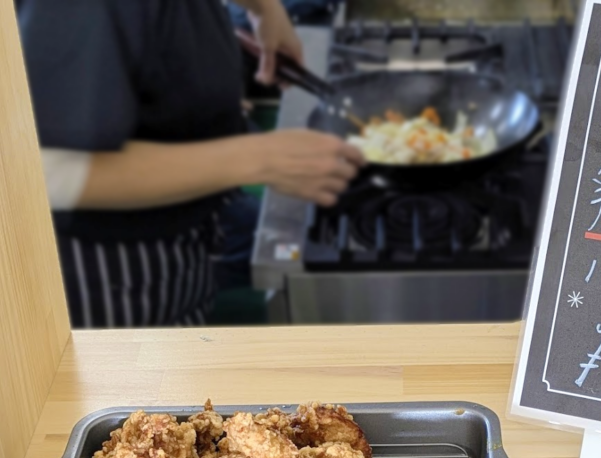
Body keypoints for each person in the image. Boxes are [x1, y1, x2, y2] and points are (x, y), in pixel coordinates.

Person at [18, 0, 363, 328]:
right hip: (112, 271)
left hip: (187, 223)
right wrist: (259, 158)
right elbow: (41, 171)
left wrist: (264, 8)